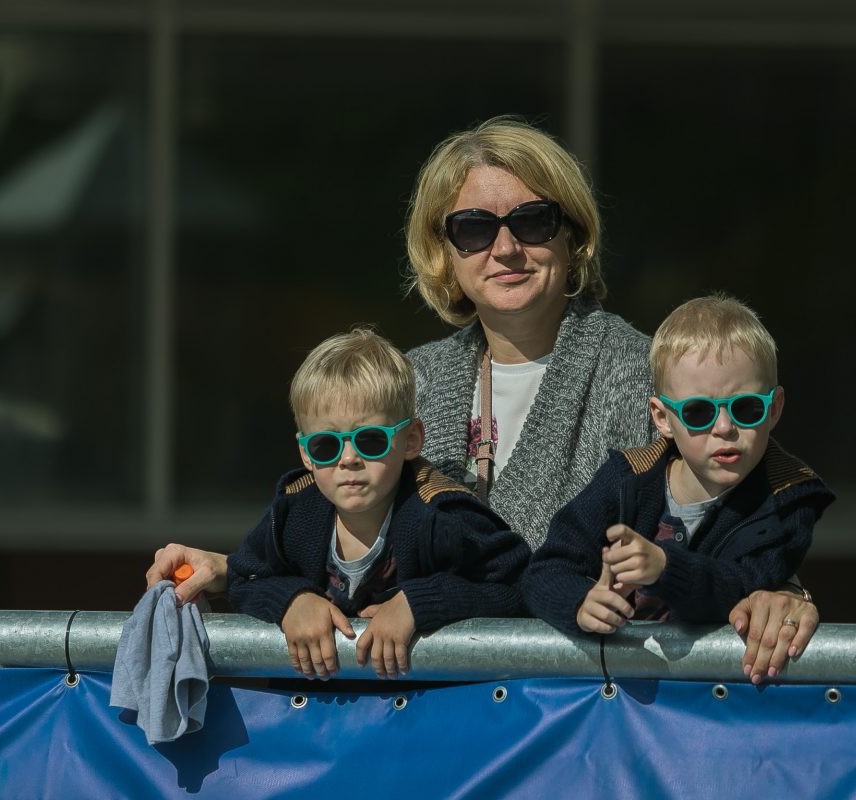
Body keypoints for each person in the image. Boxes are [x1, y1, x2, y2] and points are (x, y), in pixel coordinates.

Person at [146, 117, 821, 681]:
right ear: (444, 252)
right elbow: (347, 539)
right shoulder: (406, 380)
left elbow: (752, 506)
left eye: (532, 221)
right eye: (473, 228)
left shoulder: (649, 372)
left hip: (589, 716)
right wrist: (234, 573)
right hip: (425, 716)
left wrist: (785, 592)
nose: (505, 248)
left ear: (573, 235)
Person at [522, 295, 834, 683]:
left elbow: (744, 584)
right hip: (612, 697)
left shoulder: (788, 498)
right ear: (662, 418)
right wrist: (580, 603)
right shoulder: (625, 479)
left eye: (746, 408)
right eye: (698, 412)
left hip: (712, 696)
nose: (725, 427)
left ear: (774, 409)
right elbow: (545, 569)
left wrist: (665, 568)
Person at [225, 328, 530, 680]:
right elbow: (242, 577)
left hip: (427, 703)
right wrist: (291, 601)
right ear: (306, 453)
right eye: (326, 445)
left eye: (371, 440)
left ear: (411, 440)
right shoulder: (292, 512)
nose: (348, 459)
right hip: (322, 706)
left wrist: (418, 602)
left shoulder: (442, 516)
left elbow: (518, 583)